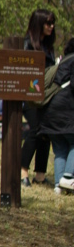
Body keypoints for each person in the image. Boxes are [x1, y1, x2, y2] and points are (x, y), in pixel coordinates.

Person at [22, 8, 56, 186]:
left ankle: (40, 176)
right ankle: (22, 172)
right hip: (29, 94)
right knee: (35, 129)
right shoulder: (27, 43)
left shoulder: (48, 47)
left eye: (53, 23)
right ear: (39, 23)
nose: (51, 26)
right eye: (48, 23)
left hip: (45, 95)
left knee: (46, 132)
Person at [39, 37, 74, 194]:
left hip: (51, 111)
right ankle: (68, 176)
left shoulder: (62, 62)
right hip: (66, 110)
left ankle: (58, 186)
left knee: (59, 148)